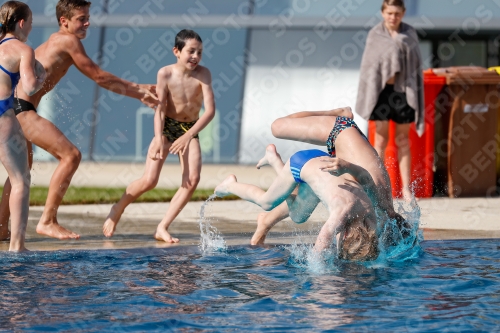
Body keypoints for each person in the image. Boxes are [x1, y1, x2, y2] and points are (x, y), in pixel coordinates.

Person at [0, 0, 158, 241]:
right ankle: (47, 221)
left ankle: (1, 228)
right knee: (70, 155)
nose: (87, 22)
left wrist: (140, 90)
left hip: (16, 107)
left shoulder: (56, 40)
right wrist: (139, 91)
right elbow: (100, 77)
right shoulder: (68, 41)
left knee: (19, 174)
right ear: (64, 22)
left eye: (87, 17)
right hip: (22, 110)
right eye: (81, 19)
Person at [103, 29, 215, 243]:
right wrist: (157, 137)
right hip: (166, 127)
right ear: (176, 51)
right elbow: (160, 109)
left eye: (199, 52)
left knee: (192, 180)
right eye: (191, 51)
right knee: (149, 180)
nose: (196, 57)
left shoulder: (204, 74)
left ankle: (162, 227)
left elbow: (209, 111)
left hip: (189, 129)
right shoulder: (165, 74)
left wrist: (188, 136)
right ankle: (118, 208)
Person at [251, 108, 404, 246]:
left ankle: (266, 220)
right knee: (277, 127)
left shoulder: (381, 214)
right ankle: (339, 112)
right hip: (339, 129)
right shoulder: (377, 206)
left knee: (305, 201)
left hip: (348, 158)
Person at [215, 144, 379, 261]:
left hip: (323, 161)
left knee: (298, 215)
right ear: (344, 234)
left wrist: (348, 167)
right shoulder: (342, 213)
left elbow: (366, 178)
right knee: (266, 203)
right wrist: (318, 271)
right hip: (300, 163)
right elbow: (322, 242)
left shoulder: (370, 216)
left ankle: (273, 159)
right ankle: (230, 184)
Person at [356, 0, 424, 201]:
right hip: (381, 93)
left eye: (397, 13)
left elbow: (415, 67)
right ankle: (379, 187)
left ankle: (406, 190)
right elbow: (369, 69)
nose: (393, 17)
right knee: (381, 140)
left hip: (404, 91)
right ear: (383, 13)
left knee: (403, 141)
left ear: (402, 13)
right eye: (389, 13)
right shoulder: (374, 35)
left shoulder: (410, 34)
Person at [0, 1, 46, 251]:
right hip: (3, 115)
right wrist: (42, 75)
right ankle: (17, 245)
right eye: (30, 23)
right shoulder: (23, 50)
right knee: (20, 179)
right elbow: (29, 88)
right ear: (21, 23)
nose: (30, 28)